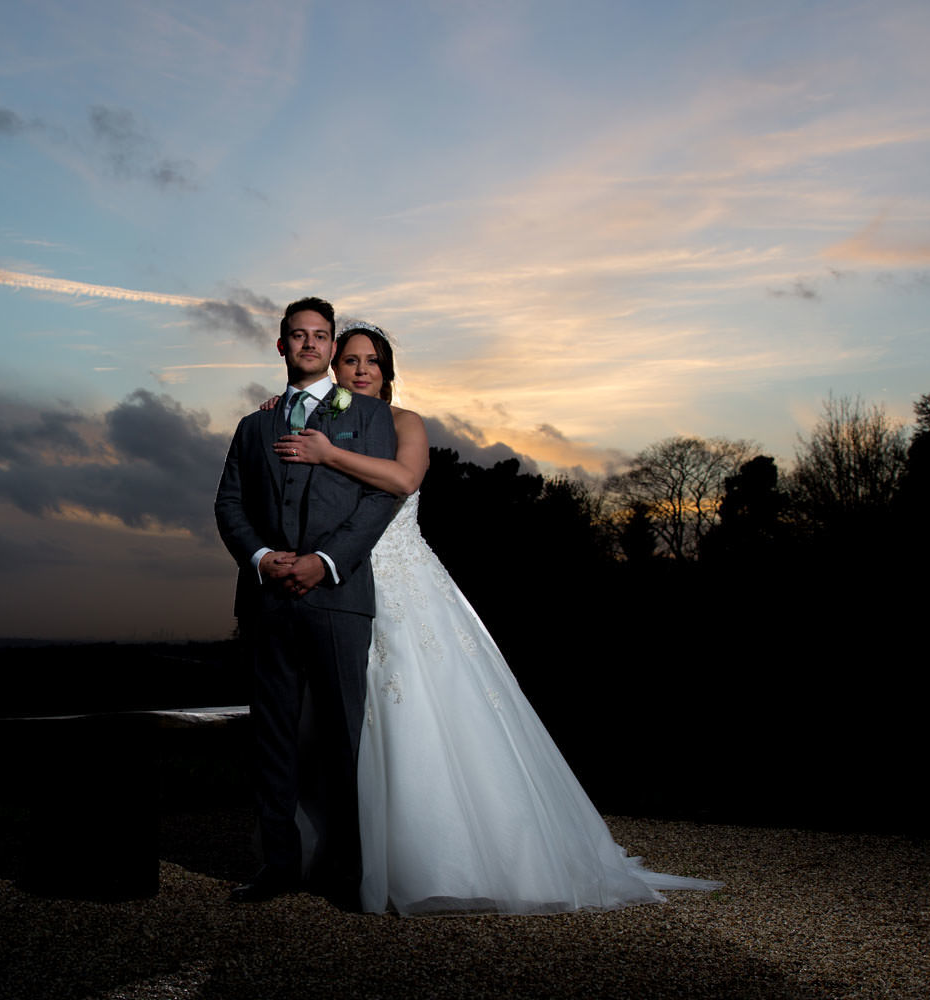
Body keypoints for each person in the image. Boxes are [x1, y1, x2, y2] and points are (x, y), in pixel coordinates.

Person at [270, 320, 723, 914]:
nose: (360, 368)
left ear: (386, 372)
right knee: (339, 719)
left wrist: (328, 453)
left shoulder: (404, 424)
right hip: (341, 580)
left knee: (423, 710)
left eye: (372, 360)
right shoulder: (319, 419)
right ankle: (337, 856)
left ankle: (447, 858)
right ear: (334, 368)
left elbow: (405, 479)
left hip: (406, 582)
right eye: (350, 359)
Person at [214, 297, 400, 906]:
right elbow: (229, 504)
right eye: (299, 335)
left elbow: (381, 499)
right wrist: (263, 559)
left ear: (331, 344)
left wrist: (324, 563)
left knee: (345, 737)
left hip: (339, 599)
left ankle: (348, 870)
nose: (311, 345)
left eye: (322, 336)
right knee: (272, 735)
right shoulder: (253, 425)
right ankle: (278, 865)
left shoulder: (370, 416)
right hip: (267, 601)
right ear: (282, 345)